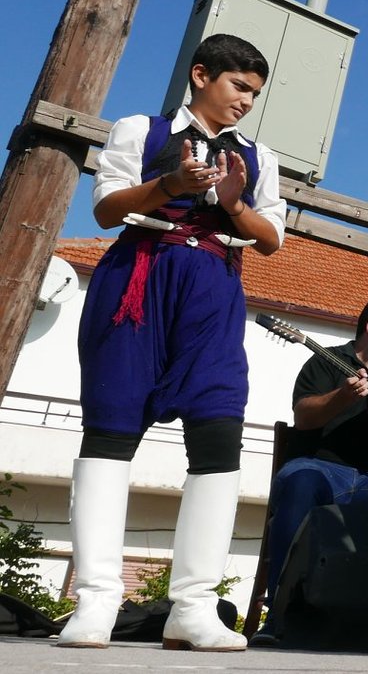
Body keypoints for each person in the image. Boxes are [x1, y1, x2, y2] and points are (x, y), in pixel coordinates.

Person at [58, 34, 286, 652]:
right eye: (239, 86)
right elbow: (106, 210)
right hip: (139, 276)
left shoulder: (259, 157)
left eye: (255, 94)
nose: (246, 102)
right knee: (111, 427)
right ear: (201, 75)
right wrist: (170, 185)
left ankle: (193, 605)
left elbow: (272, 239)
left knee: (218, 430)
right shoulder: (142, 129)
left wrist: (233, 205)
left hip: (214, 286)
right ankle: (96, 603)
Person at [254, 293, 368, 645]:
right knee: (299, 480)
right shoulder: (327, 361)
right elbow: (303, 418)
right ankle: (279, 615)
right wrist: (341, 398)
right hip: (323, 471)